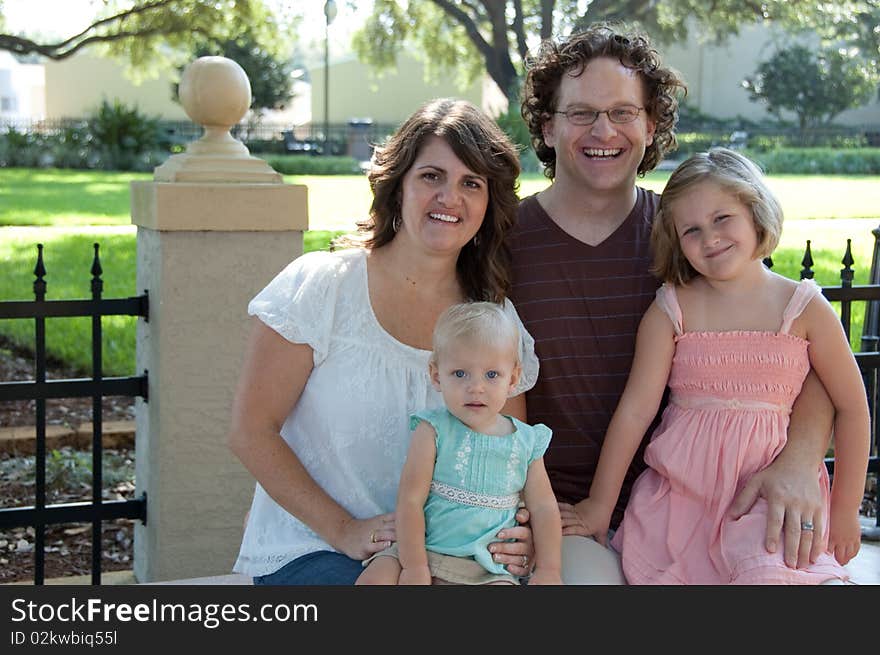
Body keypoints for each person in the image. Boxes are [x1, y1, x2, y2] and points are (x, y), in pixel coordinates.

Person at [509, 23, 838, 583]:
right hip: (555, 511)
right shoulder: (503, 241)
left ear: (651, 124)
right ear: (547, 125)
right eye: (581, 113)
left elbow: (792, 355)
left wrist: (801, 458)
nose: (603, 130)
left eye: (622, 112)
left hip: (698, 513)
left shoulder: (691, 235)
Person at [229, 98, 539, 585]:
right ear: (397, 187)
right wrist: (344, 529)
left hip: (446, 557)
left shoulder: (493, 319)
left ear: (488, 203)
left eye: (470, 183)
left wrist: (517, 532)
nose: (449, 198)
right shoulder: (322, 287)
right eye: (431, 176)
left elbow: (508, 453)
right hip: (314, 547)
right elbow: (251, 431)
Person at [576, 147, 870, 584]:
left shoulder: (803, 307)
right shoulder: (671, 309)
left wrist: (846, 510)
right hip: (680, 500)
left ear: (755, 212)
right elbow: (635, 412)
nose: (710, 238)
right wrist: (600, 504)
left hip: (765, 501)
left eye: (722, 219)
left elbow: (852, 407)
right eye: (691, 230)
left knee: (769, 574)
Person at [356, 302, 562, 585]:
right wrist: (414, 567)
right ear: (436, 375)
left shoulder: (527, 441)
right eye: (460, 373)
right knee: (374, 579)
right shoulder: (432, 430)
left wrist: (549, 570)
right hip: (420, 548)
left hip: (486, 565)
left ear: (512, 378)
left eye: (491, 375)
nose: (475, 387)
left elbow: (543, 508)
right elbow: (410, 500)